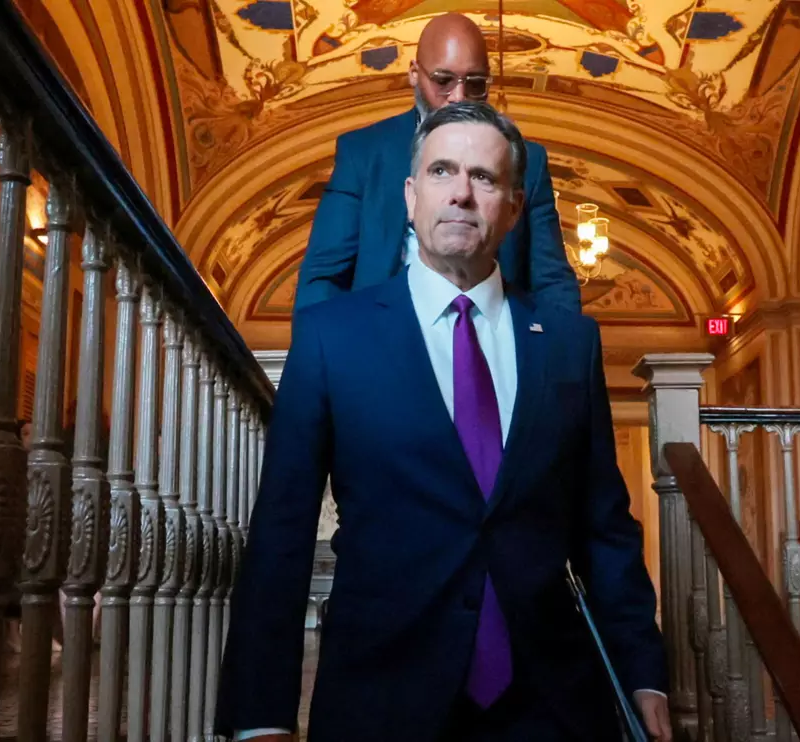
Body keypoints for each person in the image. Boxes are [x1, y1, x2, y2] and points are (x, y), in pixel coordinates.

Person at [216, 101, 670, 742]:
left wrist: (643, 671)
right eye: (441, 171)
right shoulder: (330, 338)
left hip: (551, 705)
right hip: (381, 699)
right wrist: (259, 716)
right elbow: (281, 534)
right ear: (410, 197)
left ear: (514, 207)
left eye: (484, 177)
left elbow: (605, 528)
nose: (461, 193)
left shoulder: (569, 343)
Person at [293, 13, 580, 316]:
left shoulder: (529, 161)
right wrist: (332, 344)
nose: (459, 98)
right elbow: (323, 279)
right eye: (443, 81)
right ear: (414, 74)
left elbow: (552, 281)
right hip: (380, 333)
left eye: (475, 83)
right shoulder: (363, 153)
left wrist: (561, 344)